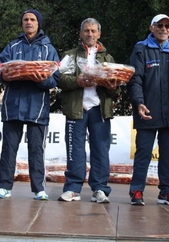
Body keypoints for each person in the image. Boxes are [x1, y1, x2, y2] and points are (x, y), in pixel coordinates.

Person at [0, 9, 59, 200]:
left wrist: (41, 80)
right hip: (12, 105)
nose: (29, 22)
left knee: (36, 149)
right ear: (22, 24)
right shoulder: (12, 46)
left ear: (39, 23)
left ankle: (39, 188)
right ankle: (4, 187)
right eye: (25, 20)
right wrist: (5, 75)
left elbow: (55, 79)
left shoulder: (49, 49)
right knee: (9, 148)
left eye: (32, 19)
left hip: (38, 108)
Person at [127, 14, 169, 206]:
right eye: (159, 25)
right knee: (143, 153)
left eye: (167, 26)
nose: (163, 29)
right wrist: (138, 102)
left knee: (168, 154)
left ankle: (166, 192)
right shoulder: (141, 49)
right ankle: (137, 190)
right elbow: (135, 79)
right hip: (147, 111)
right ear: (151, 28)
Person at [57, 18, 119, 203]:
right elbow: (59, 79)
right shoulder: (70, 56)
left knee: (100, 149)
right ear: (80, 33)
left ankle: (100, 188)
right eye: (86, 31)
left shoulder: (108, 59)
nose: (90, 34)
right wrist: (77, 81)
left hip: (99, 109)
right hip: (77, 108)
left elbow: (114, 89)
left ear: (99, 34)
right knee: (74, 149)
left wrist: (112, 85)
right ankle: (73, 188)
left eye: (93, 31)